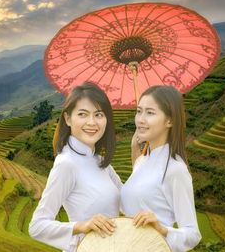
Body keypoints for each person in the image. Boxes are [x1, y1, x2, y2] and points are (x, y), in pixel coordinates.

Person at [29, 82, 122, 252]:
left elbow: (128, 203)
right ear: (68, 119)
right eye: (83, 114)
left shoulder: (101, 162)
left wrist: (140, 159)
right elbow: (37, 226)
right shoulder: (67, 164)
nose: (92, 122)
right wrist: (81, 226)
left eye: (99, 115)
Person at [121, 85, 201, 252]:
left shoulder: (175, 169)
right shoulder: (142, 160)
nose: (140, 119)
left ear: (169, 120)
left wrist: (161, 229)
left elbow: (193, 234)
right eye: (139, 111)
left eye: (150, 113)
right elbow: (135, 200)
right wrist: (134, 151)